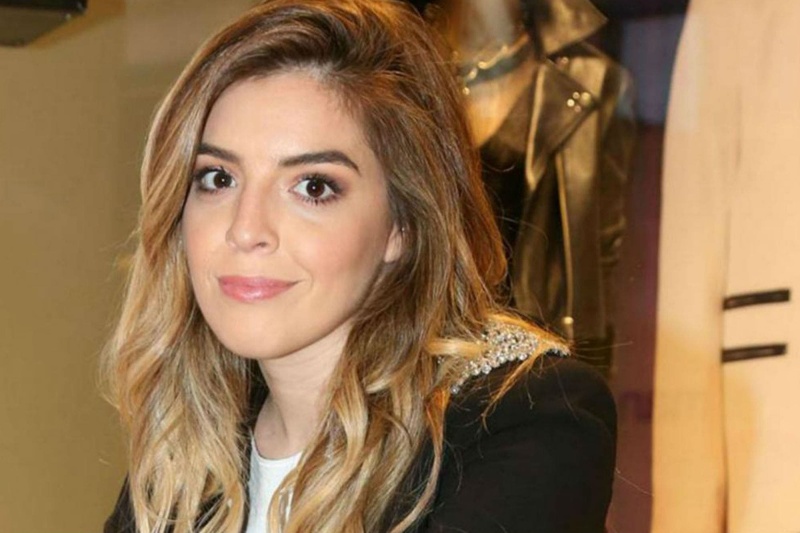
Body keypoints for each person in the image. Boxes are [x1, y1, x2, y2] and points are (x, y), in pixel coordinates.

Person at [102, 1, 616, 532]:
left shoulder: (526, 418)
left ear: (403, 223)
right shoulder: (187, 457)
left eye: (313, 187)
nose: (246, 229)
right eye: (217, 178)